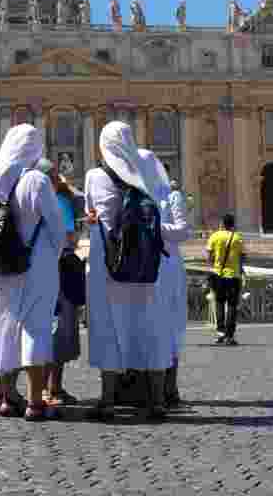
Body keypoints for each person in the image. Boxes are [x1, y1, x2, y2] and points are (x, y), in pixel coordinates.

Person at [0, 124, 65, 421]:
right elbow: (56, 226)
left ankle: (5, 396)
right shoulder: (36, 180)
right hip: (35, 264)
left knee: (5, 327)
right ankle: (36, 401)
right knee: (35, 327)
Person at [84, 121, 173, 421]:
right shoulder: (148, 171)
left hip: (109, 264)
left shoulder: (95, 176)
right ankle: (157, 400)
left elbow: (94, 217)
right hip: (149, 264)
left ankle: (108, 400)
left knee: (110, 328)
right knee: (151, 329)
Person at [139, 149, 189, 407]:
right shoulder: (135, 198)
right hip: (146, 268)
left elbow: (182, 231)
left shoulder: (172, 196)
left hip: (168, 268)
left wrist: (153, 228)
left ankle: (171, 387)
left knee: (169, 327)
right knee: (150, 328)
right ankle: (149, 388)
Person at [39, 161, 81, 407]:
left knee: (54, 330)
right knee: (60, 330)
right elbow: (69, 237)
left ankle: (51, 387)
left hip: (46, 269)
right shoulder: (61, 201)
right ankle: (51, 388)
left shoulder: (44, 201)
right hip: (61, 269)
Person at [207, 214, 245, 346]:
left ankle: (220, 332)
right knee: (232, 305)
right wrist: (241, 271)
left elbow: (210, 256)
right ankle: (230, 335)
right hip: (233, 276)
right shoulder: (238, 238)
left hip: (218, 275)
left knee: (219, 303)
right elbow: (241, 258)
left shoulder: (214, 236)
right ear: (233, 224)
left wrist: (212, 268)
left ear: (222, 223)